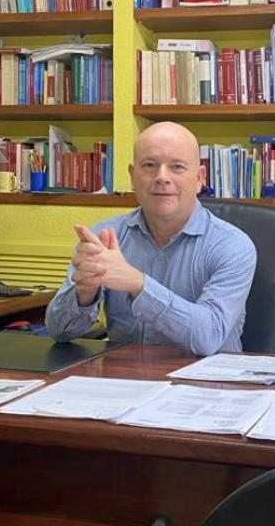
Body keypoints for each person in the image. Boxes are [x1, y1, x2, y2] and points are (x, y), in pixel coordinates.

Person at [44, 121, 257, 356]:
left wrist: (137, 283)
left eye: (177, 167)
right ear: (133, 176)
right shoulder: (104, 237)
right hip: (126, 375)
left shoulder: (233, 245)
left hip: (208, 376)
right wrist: (84, 295)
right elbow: (59, 333)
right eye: (149, 165)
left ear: (199, 178)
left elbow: (209, 337)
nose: (162, 177)